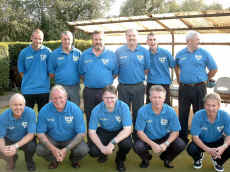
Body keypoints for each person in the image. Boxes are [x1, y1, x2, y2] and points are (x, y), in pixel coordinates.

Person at [175, 30, 218, 144]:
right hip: (184, 88)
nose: (199, 41)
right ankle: (183, 137)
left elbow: (214, 69)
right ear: (189, 41)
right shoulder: (180, 54)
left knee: (199, 113)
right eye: (197, 39)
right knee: (183, 112)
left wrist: (205, 79)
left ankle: (198, 137)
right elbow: (176, 66)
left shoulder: (204, 53)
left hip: (199, 88)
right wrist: (178, 78)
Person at [36, 85, 88, 169]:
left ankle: (74, 160)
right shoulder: (44, 110)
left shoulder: (75, 109)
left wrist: (66, 150)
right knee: (40, 150)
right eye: (54, 98)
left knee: (83, 149)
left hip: (70, 138)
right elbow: (40, 133)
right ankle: (54, 160)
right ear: (50, 99)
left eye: (61, 97)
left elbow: (81, 133)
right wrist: (53, 149)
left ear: (66, 97)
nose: (58, 100)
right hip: (52, 138)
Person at [134, 85, 186, 169]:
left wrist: (166, 143)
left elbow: (176, 131)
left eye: (160, 97)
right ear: (150, 98)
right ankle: (146, 159)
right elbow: (139, 132)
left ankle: (167, 158)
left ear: (164, 98)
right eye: (154, 97)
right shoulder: (142, 111)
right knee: (138, 146)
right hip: (148, 138)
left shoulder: (170, 111)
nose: (157, 100)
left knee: (180, 144)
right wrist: (152, 144)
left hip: (164, 137)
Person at [88, 85, 132, 172]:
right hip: (105, 131)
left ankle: (120, 160)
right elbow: (91, 131)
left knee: (126, 144)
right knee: (93, 151)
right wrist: (102, 148)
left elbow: (127, 129)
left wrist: (112, 143)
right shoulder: (96, 110)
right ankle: (103, 154)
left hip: (120, 130)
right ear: (102, 97)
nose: (109, 100)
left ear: (117, 96)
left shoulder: (124, 107)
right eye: (106, 97)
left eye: (112, 97)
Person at [79, 30, 118, 125]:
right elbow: (81, 73)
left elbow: (115, 73)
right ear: (92, 40)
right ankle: (91, 140)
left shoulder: (111, 55)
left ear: (104, 40)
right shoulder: (84, 55)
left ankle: (106, 139)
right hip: (89, 92)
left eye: (100, 39)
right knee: (90, 117)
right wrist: (92, 81)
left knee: (107, 117)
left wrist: (105, 82)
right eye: (95, 39)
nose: (98, 42)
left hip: (106, 92)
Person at [187, 93, 230, 172]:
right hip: (201, 140)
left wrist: (224, 147)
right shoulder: (198, 115)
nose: (210, 108)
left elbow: (229, 135)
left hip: (218, 141)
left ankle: (218, 161)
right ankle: (198, 158)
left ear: (219, 106)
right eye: (208, 105)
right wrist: (207, 149)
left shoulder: (226, 116)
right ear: (204, 105)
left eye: (214, 105)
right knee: (191, 149)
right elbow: (195, 137)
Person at [115, 29, 150, 125]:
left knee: (138, 113)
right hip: (123, 87)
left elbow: (146, 69)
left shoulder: (144, 51)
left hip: (138, 87)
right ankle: (124, 136)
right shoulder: (119, 51)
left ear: (137, 37)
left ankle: (136, 136)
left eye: (133, 35)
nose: (131, 38)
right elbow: (116, 69)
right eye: (129, 36)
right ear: (126, 37)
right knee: (123, 112)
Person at [0, 93, 37, 171]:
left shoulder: (30, 113)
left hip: (25, 138)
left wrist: (15, 146)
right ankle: (11, 160)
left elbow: (31, 134)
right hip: (10, 139)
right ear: (10, 106)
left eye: (20, 105)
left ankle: (29, 162)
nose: (18, 107)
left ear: (24, 105)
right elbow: (1, 136)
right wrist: (3, 149)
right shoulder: (3, 116)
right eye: (15, 105)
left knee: (31, 147)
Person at [17, 29, 51, 112]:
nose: (38, 41)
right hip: (28, 90)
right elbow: (21, 71)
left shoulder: (48, 52)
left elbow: (51, 70)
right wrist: (29, 80)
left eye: (40, 39)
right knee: (26, 117)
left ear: (43, 39)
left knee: (43, 117)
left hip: (44, 90)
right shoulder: (24, 53)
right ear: (31, 38)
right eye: (35, 38)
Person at [48, 31, 81, 106]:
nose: (67, 41)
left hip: (75, 88)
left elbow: (82, 71)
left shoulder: (78, 53)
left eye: (69, 39)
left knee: (75, 109)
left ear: (72, 40)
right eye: (64, 39)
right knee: (59, 108)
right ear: (61, 40)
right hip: (60, 87)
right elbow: (51, 73)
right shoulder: (54, 54)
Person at [146, 32, 175, 105]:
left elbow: (174, 65)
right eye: (150, 40)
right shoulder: (145, 54)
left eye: (154, 39)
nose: (152, 42)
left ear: (158, 41)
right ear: (147, 42)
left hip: (164, 84)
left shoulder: (166, 53)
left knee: (166, 106)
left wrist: (178, 78)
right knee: (150, 106)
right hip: (151, 84)